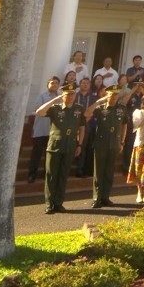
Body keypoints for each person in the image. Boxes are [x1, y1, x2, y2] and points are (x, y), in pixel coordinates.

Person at [35, 79, 86, 214]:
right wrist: (53, 100)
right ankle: (49, 204)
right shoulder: (55, 108)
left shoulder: (79, 109)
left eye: (72, 94)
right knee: (51, 175)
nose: (70, 96)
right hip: (55, 146)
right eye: (67, 94)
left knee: (63, 175)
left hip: (70, 146)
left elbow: (82, 128)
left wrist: (79, 144)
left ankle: (59, 203)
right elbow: (39, 112)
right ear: (62, 95)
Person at [87, 84, 128, 208]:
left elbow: (124, 124)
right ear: (107, 95)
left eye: (116, 94)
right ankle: (96, 198)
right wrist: (99, 101)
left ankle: (105, 197)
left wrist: (122, 142)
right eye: (112, 94)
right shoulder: (100, 108)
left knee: (109, 172)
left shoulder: (121, 108)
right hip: (101, 143)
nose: (115, 96)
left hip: (114, 143)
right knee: (99, 172)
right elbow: (87, 113)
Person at [27, 80, 54, 183]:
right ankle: (32, 175)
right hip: (40, 131)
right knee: (36, 154)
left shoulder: (60, 97)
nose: (54, 85)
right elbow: (38, 109)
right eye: (52, 83)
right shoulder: (42, 96)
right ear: (48, 85)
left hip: (52, 132)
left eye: (56, 83)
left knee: (49, 156)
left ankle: (46, 175)